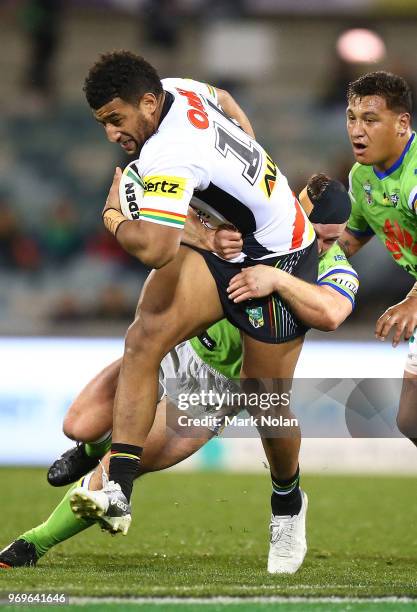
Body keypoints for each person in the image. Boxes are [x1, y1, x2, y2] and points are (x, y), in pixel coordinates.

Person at [0, 175, 358, 572]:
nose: (322, 246)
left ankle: (33, 543)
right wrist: (203, 235)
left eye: (332, 240)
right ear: (296, 210)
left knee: (125, 468)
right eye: (317, 236)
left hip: (216, 388)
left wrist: (277, 278)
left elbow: (332, 312)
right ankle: (91, 448)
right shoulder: (257, 221)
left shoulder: (333, 268)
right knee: (79, 424)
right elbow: (178, 214)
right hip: (180, 345)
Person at [75, 49, 319, 578]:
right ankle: (118, 485)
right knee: (145, 338)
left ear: (145, 103)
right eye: (103, 124)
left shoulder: (168, 154)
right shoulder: (174, 88)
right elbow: (225, 99)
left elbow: (158, 249)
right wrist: (249, 163)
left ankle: (287, 502)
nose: (112, 134)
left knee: (266, 402)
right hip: (229, 249)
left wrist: (114, 217)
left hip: (283, 256)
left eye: (117, 120)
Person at [339, 70, 417, 444]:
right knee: (411, 419)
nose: (357, 130)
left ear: (402, 123)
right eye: (352, 118)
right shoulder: (362, 177)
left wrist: (413, 300)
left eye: (370, 120)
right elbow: (350, 239)